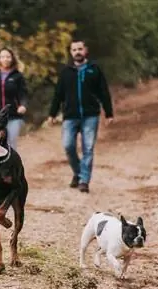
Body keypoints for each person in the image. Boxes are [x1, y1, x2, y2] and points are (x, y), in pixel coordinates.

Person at [46, 39, 114, 193]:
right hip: (70, 116)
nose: (77, 52)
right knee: (68, 146)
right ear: (71, 52)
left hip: (90, 115)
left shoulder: (94, 69)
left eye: (80, 49)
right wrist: (52, 114)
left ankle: (84, 181)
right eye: (74, 49)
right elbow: (58, 94)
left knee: (88, 148)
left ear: (85, 50)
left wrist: (109, 112)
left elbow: (104, 92)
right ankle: (78, 173)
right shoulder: (66, 72)